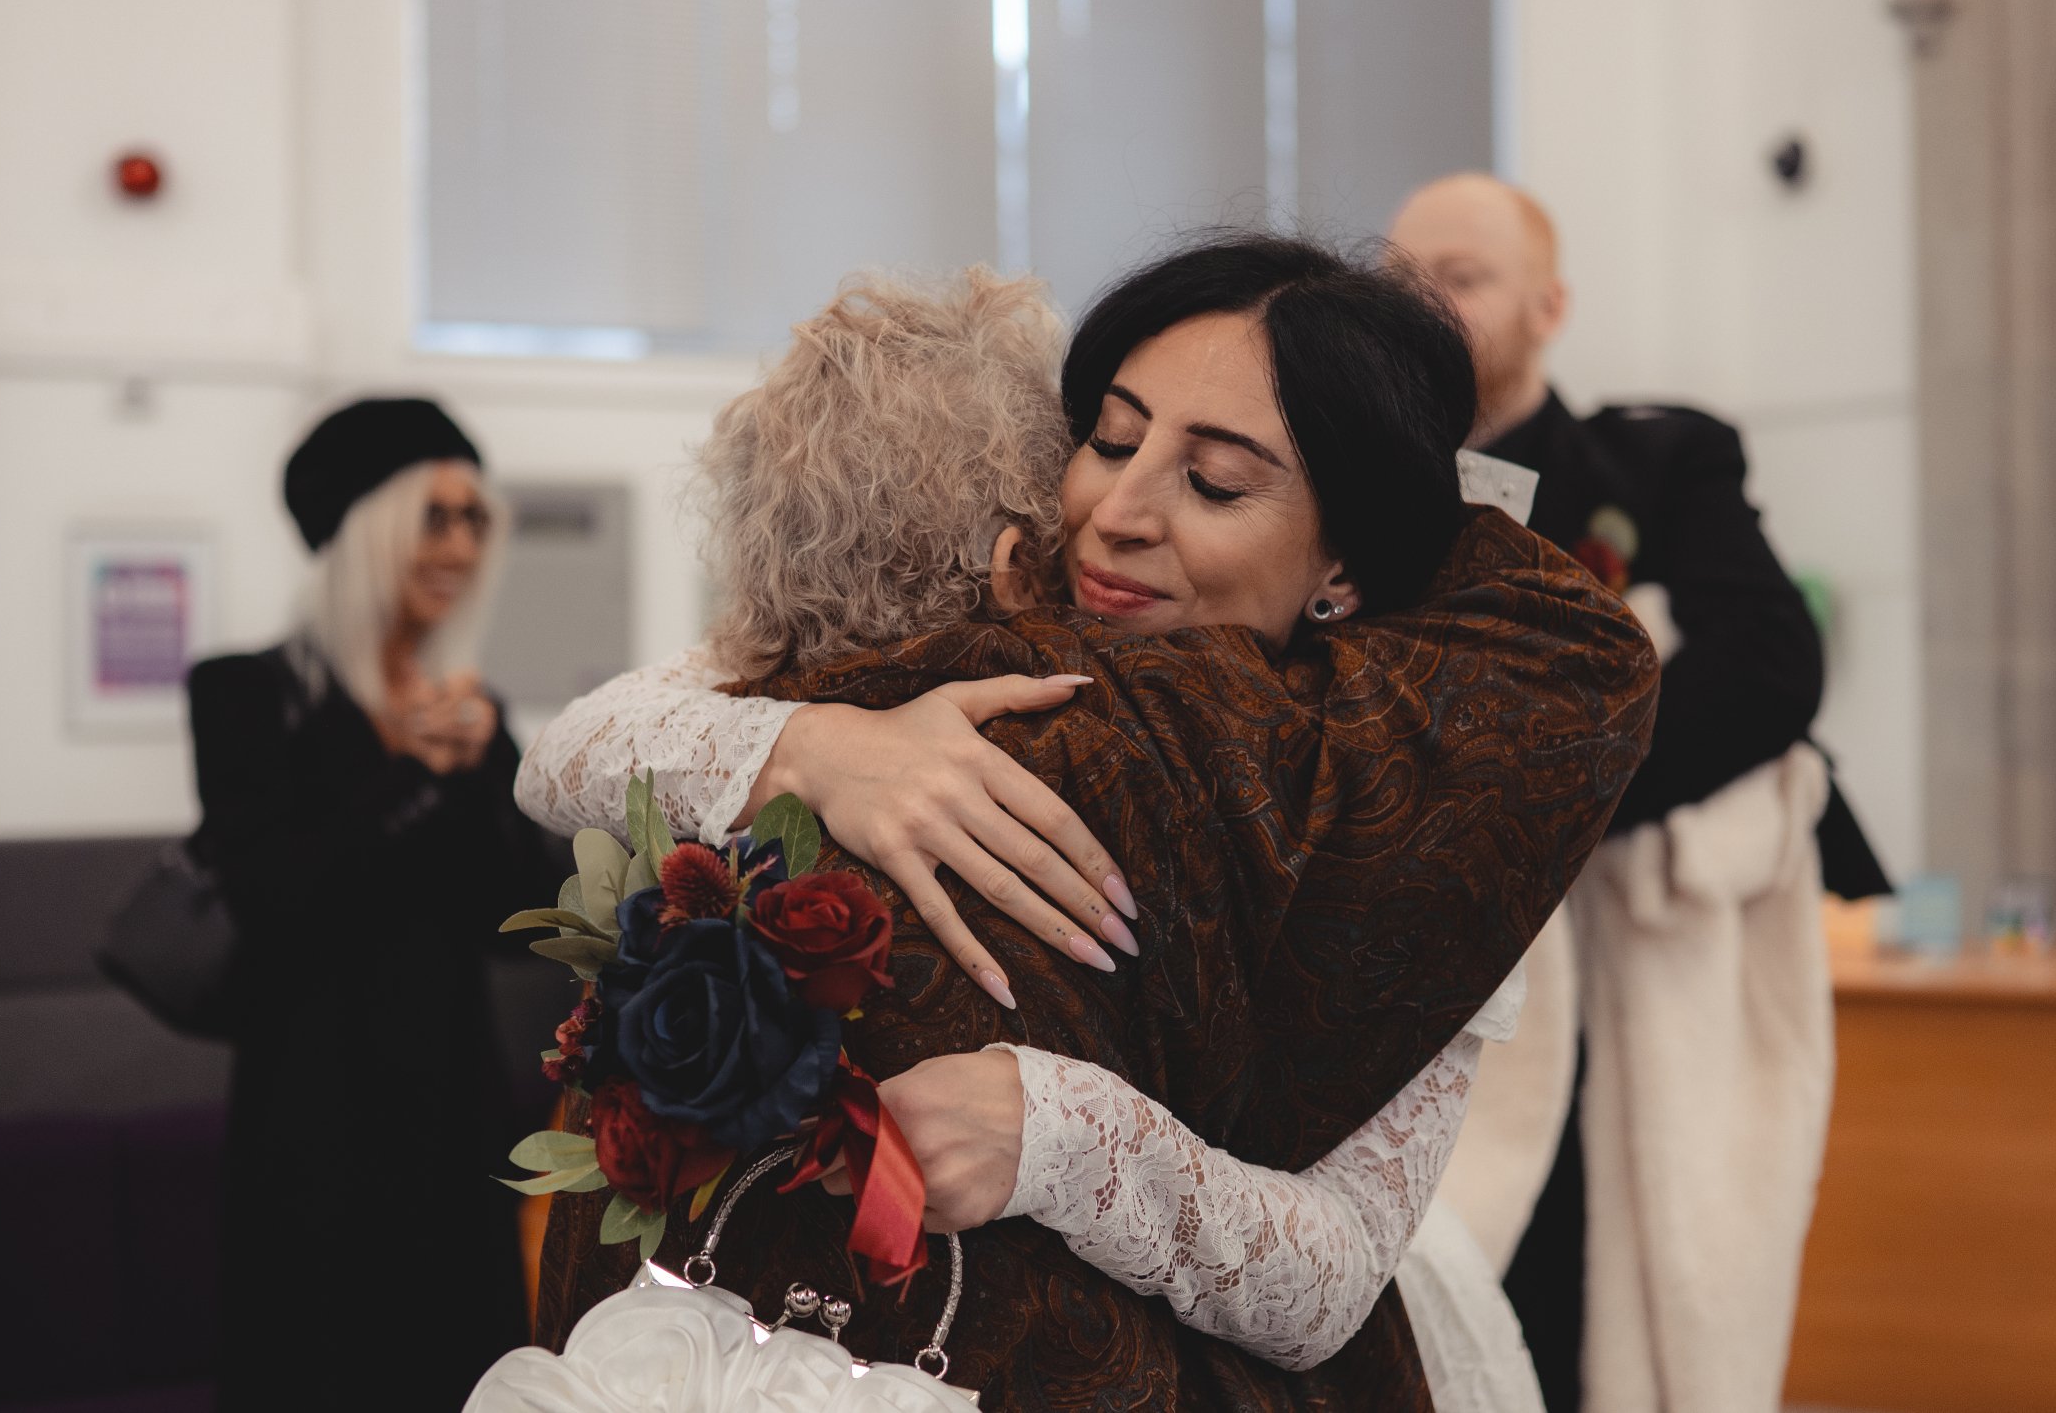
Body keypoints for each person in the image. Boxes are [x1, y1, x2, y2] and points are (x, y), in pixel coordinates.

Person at [515, 245, 1659, 1409]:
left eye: (1213, 484)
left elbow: (1335, 1277)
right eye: (1113, 440)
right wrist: (816, 747)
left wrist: (1055, 1131)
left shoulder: (1420, 792)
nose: (1117, 515)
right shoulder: (981, 621)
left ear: (1341, 565)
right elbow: (569, 751)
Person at [1389, 173, 1888, 1412]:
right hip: (1427, 1007)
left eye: (1464, 275)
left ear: (1550, 304)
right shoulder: (1355, 498)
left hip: (1617, 993)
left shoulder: (1656, 465)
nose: (1429, 306)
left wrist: (1548, 787)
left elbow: (1772, 662)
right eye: (1404, 281)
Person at [189, 398, 560, 1411]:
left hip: (452, 1103)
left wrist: (477, 764)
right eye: (433, 515)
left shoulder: (467, 707)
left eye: (474, 518)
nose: (460, 543)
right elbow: (272, 897)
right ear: (364, 530)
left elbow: (525, 913)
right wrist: (410, 773)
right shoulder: (245, 694)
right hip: (310, 1113)